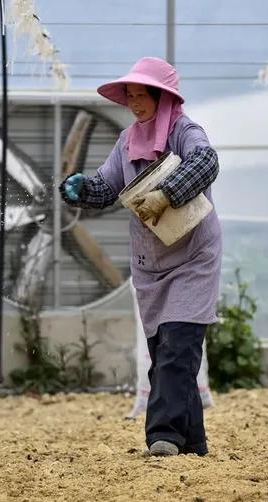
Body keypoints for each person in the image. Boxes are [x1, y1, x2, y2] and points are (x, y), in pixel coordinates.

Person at [58, 57, 222, 457]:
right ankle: (193, 443)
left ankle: (162, 435)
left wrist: (167, 194)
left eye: (140, 94)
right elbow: (106, 186)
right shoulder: (129, 140)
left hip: (193, 258)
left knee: (178, 348)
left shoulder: (185, 131)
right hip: (151, 264)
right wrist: (81, 189)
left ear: (161, 96)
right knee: (163, 351)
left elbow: (207, 162)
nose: (133, 102)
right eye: (129, 95)